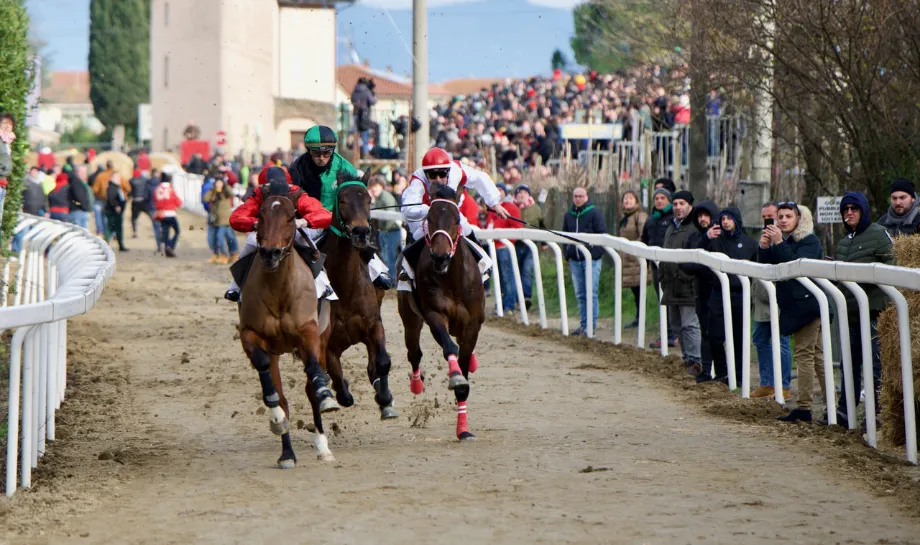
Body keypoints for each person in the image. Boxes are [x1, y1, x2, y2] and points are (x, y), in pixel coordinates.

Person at [288, 125, 392, 289]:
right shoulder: (296, 169)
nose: (321, 158)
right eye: (316, 153)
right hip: (309, 221)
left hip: (337, 218)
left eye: (326, 153)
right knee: (297, 242)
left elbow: (356, 194)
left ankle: (377, 270)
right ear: (308, 151)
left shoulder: (344, 166)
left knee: (359, 235)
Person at [823, 191, 893, 426]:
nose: (849, 213)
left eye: (854, 209)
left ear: (863, 210)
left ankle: (876, 416)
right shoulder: (844, 242)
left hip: (875, 315)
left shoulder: (880, 234)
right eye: (845, 210)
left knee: (875, 367)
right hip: (851, 316)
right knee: (848, 366)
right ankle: (845, 413)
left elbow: (894, 268)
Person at [398, 147, 508, 290]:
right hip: (426, 215)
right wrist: (429, 210)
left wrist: (494, 203)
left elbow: (481, 178)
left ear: (448, 171)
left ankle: (483, 262)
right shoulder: (418, 180)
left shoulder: (456, 169)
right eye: (432, 175)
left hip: (449, 213)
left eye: (442, 174)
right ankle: (406, 270)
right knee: (420, 232)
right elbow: (407, 210)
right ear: (426, 174)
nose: (438, 180)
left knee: (465, 227)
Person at [225, 167, 334, 302]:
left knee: (309, 246)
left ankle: (322, 283)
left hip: (293, 230)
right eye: (269, 187)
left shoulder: (296, 194)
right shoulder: (259, 195)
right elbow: (236, 217)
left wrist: (304, 221)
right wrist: (255, 223)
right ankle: (235, 286)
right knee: (251, 242)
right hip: (267, 232)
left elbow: (324, 214)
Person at [759, 202, 825, 423]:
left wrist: (778, 242)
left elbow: (794, 267)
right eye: (780, 216)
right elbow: (768, 269)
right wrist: (765, 247)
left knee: (806, 356)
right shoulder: (786, 241)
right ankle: (835, 406)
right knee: (816, 356)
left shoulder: (809, 241)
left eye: (788, 216)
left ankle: (805, 408)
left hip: (808, 307)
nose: (783, 220)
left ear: (799, 219)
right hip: (796, 307)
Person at [700, 207, 757, 383]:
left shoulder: (749, 243)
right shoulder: (715, 241)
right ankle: (722, 373)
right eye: (722, 218)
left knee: (739, 337)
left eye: (729, 218)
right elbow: (697, 254)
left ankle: (739, 376)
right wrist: (706, 238)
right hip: (717, 294)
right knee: (715, 337)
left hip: (740, 295)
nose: (725, 222)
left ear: (736, 220)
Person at [750, 202, 793, 399]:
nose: (769, 221)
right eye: (765, 217)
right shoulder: (763, 238)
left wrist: (778, 241)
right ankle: (767, 383)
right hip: (761, 295)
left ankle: (783, 385)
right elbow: (761, 262)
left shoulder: (789, 238)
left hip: (780, 296)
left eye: (772, 216)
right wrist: (763, 246)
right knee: (760, 338)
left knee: (781, 341)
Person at [658, 190, 702, 374]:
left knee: (689, 324)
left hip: (688, 285)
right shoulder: (671, 226)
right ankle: (687, 359)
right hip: (670, 285)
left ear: (690, 206)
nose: (678, 207)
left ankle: (696, 361)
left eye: (682, 204)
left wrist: (684, 276)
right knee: (676, 325)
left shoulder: (694, 228)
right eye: (675, 204)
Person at [680, 199, 719, 380]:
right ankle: (706, 370)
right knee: (705, 332)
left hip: (719, 291)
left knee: (718, 334)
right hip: (701, 291)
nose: (703, 219)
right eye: (700, 216)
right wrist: (705, 239)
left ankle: (727, 374)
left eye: (706, 215)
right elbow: (688, 264)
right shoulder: (695, 238)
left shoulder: (722, 235)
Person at [562, 187, 607, 336]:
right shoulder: (569, 214)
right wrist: (567, 254)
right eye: (576, 196)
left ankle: (591, 326)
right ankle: (584, 324)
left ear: (586, 197)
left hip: (591, 260)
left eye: (581, 196)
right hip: (574, 260)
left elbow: (602, 235)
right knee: (580, 294)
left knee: (591, 292)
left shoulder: (594, 213)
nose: (578, 199)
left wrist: (594, 254)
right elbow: (563, 235)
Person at [641, 187, 678, 348]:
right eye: (657, 198)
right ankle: (667, 334)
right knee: (662, 301)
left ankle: (673, 334)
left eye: (663, 198)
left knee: (674, 302)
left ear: (668, 201)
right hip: (656, 267)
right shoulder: (650, 219)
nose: (659, 201)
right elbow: (645, 241)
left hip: (673, 266)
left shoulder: (674, 219)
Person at [490, 184, 523, 314]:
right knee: (498, 278)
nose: (498, 192)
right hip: (492, 247)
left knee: (507, 277)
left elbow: (517, 227)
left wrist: (508, 242)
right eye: (495, 190)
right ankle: (501, 304)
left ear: (505, 192)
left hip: (504, 248)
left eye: (500, 190)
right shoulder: (492, 208)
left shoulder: (511, 208)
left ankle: (509, 305)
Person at [618, 189, 647, 328]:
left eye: (630, 198)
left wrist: (633, 250)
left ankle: (641, 318)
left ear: (636, 201)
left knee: (639, 289)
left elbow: (643, 235)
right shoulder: (624, 217)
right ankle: (638, 317)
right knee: (635, 291)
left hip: (636, 259)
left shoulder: (639, 216)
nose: (627, 201)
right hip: (626, 259)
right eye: (625, 198)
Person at [514, 185, 544, 309]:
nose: (522, 195)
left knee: (527, 271)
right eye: (519, 193)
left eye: (524, 193)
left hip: (531, 244)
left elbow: (542, 224)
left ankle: (526, 297)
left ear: (528, 195)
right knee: (516, 271)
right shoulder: (512, 208)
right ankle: (516, 298)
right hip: (515, 244)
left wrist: (544, 243)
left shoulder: (536, 208)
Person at [368, 175, 400, 277]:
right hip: (384, 231)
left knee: (390, 258)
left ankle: (392, 281)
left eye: (376, 186)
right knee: (385, 257)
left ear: (381, 186)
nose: (373, 188)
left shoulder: (386, 197)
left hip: (391, 231)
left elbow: (391, 217)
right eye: (371, 186)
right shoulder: (378, 197)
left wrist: (383, 231)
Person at [205, 177, 236, 264]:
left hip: (224, 220)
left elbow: (231, 194)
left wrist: (224, 189)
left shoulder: (226, 191)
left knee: (220, 237)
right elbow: (205, 198)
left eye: (220, 183)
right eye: (217, 183)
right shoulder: (213, 192)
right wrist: (213, 191)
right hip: (215, 219)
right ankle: (216, 255)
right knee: (212, 238)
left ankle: (225, 255)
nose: (219, 185)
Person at [153, 172, 183, 258]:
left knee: (166, 232)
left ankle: (166, 248)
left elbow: (155, 200)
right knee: (177, 231)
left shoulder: (158, 189)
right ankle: (171, 246)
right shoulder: (170, 189)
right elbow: (177, 201)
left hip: (162, 214)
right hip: (171, 213)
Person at [104, 172, 128, 252]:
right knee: (110, 228)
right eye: (116, 178)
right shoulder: (111, 187)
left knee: (118, 229)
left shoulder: (117, 187)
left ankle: (120, 245)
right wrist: (116, 206)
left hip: (117, 212)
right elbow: (111, 199)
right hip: (112, 212)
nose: (119, 179)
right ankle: (106, 244)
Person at [68, 165, 94, 229]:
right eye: (81, 172)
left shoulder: (83, 183)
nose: (83, 174)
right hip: (78, 211)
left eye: (85, 172)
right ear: (76, 172)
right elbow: (80, 198)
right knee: (80, 234)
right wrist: (86, 207)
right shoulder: (76, 183)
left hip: (82, 211)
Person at [0, 113, 16, 211]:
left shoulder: (6, 141)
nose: (7, 126)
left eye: (10, 124)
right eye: (4, 123)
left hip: (2, 183)